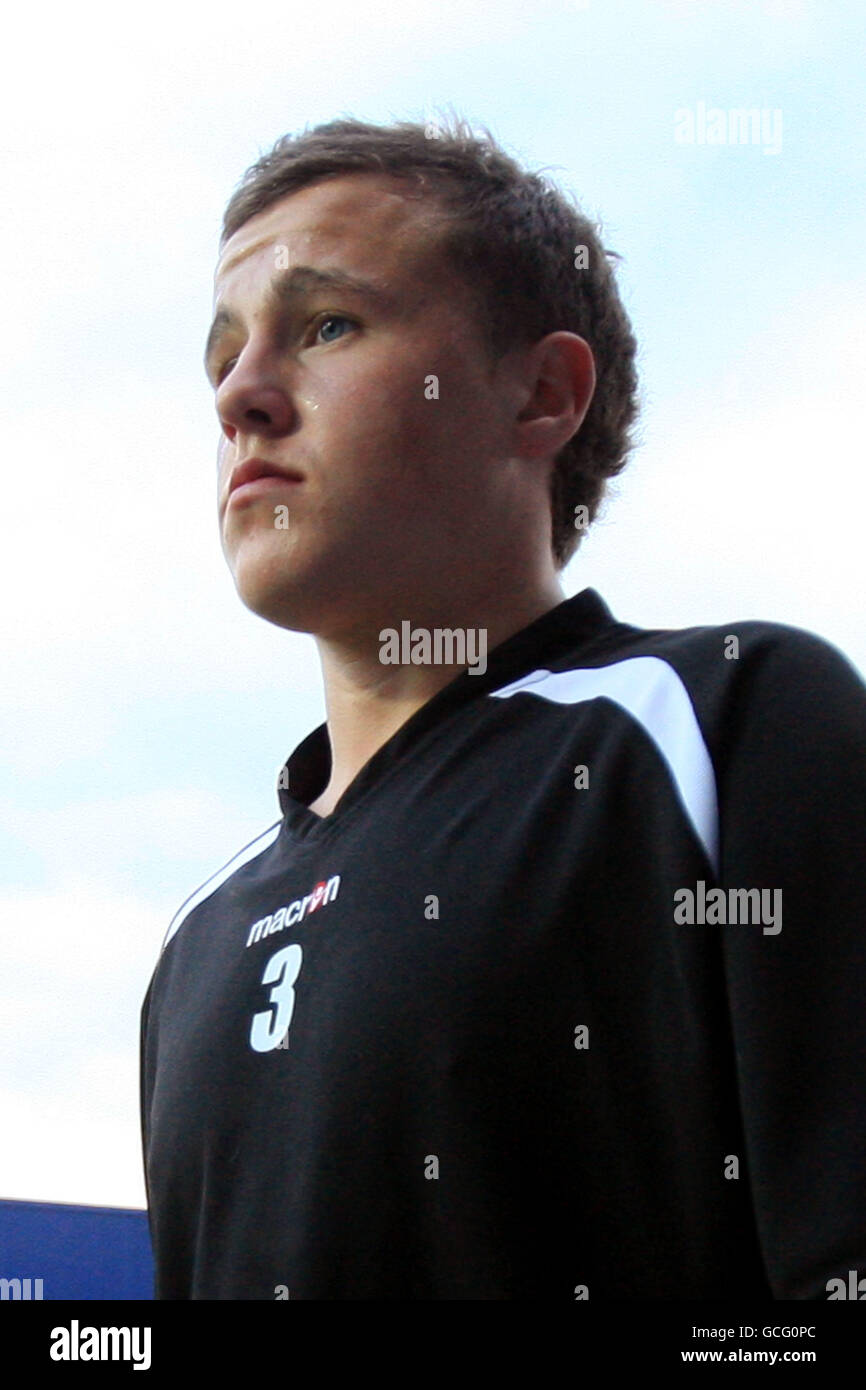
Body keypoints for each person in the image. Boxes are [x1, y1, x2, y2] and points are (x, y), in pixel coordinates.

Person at [140, 114, 866, 1300]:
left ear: (539, 394)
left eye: (325, 326)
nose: (242, 396)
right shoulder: (195, 943)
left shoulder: (721, 725)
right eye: (222, 355)